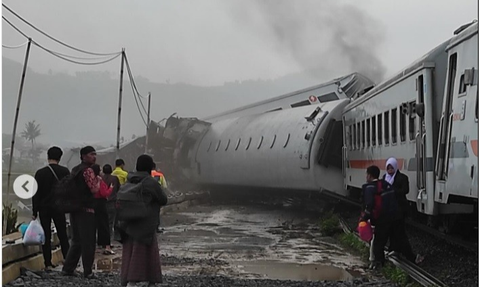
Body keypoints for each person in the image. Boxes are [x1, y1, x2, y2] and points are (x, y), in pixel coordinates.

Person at [119, 154, 168, 287]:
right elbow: (163, 199)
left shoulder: (129, 180)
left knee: (130, 253)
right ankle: (150, 280)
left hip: (128, 224)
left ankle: (129, 281)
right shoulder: (150, 182)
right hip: (145, 224)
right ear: (150, 167)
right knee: (147, 254)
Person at [61, 146, 100, 279]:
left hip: (74, 209)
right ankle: (88, 271)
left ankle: (68, 268)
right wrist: (98, 180)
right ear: (83, 156)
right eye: (91, 154)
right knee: (88, 241)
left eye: (95, 154)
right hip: (86, 210)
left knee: (76, 241)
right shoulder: (88, 171)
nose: (94, 157)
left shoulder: (75, 169)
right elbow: (94, 190)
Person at [32, 146, 70, 271]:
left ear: (48, 156)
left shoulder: (40, 173)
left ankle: (47, 263)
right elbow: (68, 190)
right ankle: (68, 261)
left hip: (44, 208)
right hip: (59, 207)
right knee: (63, 234)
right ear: (60, 157)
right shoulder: (64, 171)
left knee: (46, 236)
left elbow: (36, 193)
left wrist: (34, 211)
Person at [382, 157, 423, 264]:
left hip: (399, 209)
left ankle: (409, 255)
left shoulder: (402, 178)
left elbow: (405, 190)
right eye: (388, 167)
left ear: (395, 167)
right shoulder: (384, 178)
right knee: (392, 231)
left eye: (391, 167)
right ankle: (395, 250)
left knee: (400, 232)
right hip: (388, 210)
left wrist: (392, 191)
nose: (390, 170)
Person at [361, 165, 399, 270]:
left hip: (379, 218)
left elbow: (369, 204)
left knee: (377, 241)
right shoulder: (386, 184)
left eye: (367, 174)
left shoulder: (369, 187)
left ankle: (378, 263)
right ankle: (379, 262)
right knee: (382, 240)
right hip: (391, 217)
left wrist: (363, 218)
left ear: (369, 175)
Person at [91, 164, 115, 255]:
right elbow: (104, 193)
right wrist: (111, 188)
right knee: (104, 225)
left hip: (92, 204)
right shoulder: (99, 181)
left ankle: (95, 245)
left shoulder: (89, 181)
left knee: (93, 225)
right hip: (101, 204)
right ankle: (107, 247)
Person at [101, 164, 121, 243]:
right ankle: (109, 241)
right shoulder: (115, 178)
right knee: (111, 222)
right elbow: (118, 188)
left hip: (102, 202)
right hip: (112, 202)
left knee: (102, 222)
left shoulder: (100, 179)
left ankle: (102, 240)